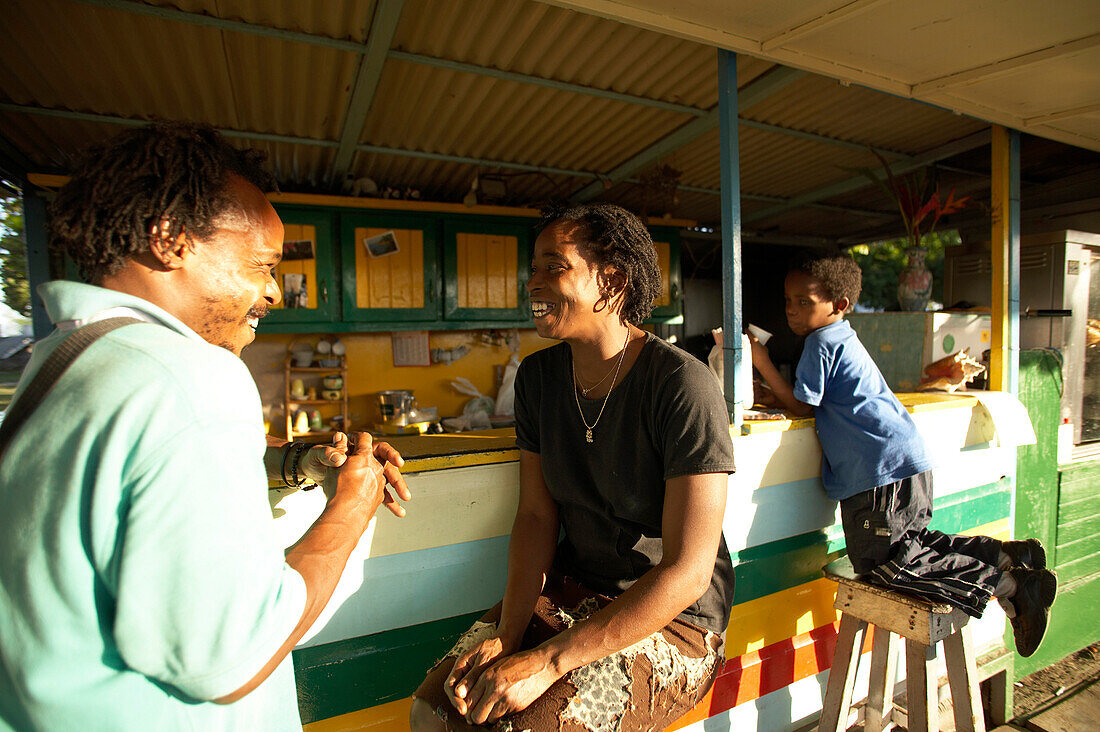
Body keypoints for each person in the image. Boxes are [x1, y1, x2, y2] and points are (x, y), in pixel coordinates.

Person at [0, 122, 410, 730]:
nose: (274, 289)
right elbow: (231, 655)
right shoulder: (191, 374)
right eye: (263, 264)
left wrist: (294, 463)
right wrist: (353, 504)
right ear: (170, 239)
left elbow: (124, 488)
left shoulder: (62, 360)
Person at [410, 203, 736, 731]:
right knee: (435, 712)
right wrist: (511, 632)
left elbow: (689, 571)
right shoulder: (537, 379)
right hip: (569, 591)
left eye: (552, 266)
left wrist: (547, 661)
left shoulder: (681, 384)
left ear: (611, 280)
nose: (533, 283)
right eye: (532, 269)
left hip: (674, 621)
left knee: (520, 726)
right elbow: (538, 517)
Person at [749, 252, 1057, 657]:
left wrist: (761, 361)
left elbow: (806, 406)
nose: (792, 311)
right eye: (788, 301)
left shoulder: (819, 343)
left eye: (804, 301)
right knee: (915, 545)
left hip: (876, 475)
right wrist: (777, 394)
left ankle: (1012, 586)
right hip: (904, 462)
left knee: (889, 568)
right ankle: (1005, 556)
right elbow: (819, 400)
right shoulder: (842, 337)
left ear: (839, 305)